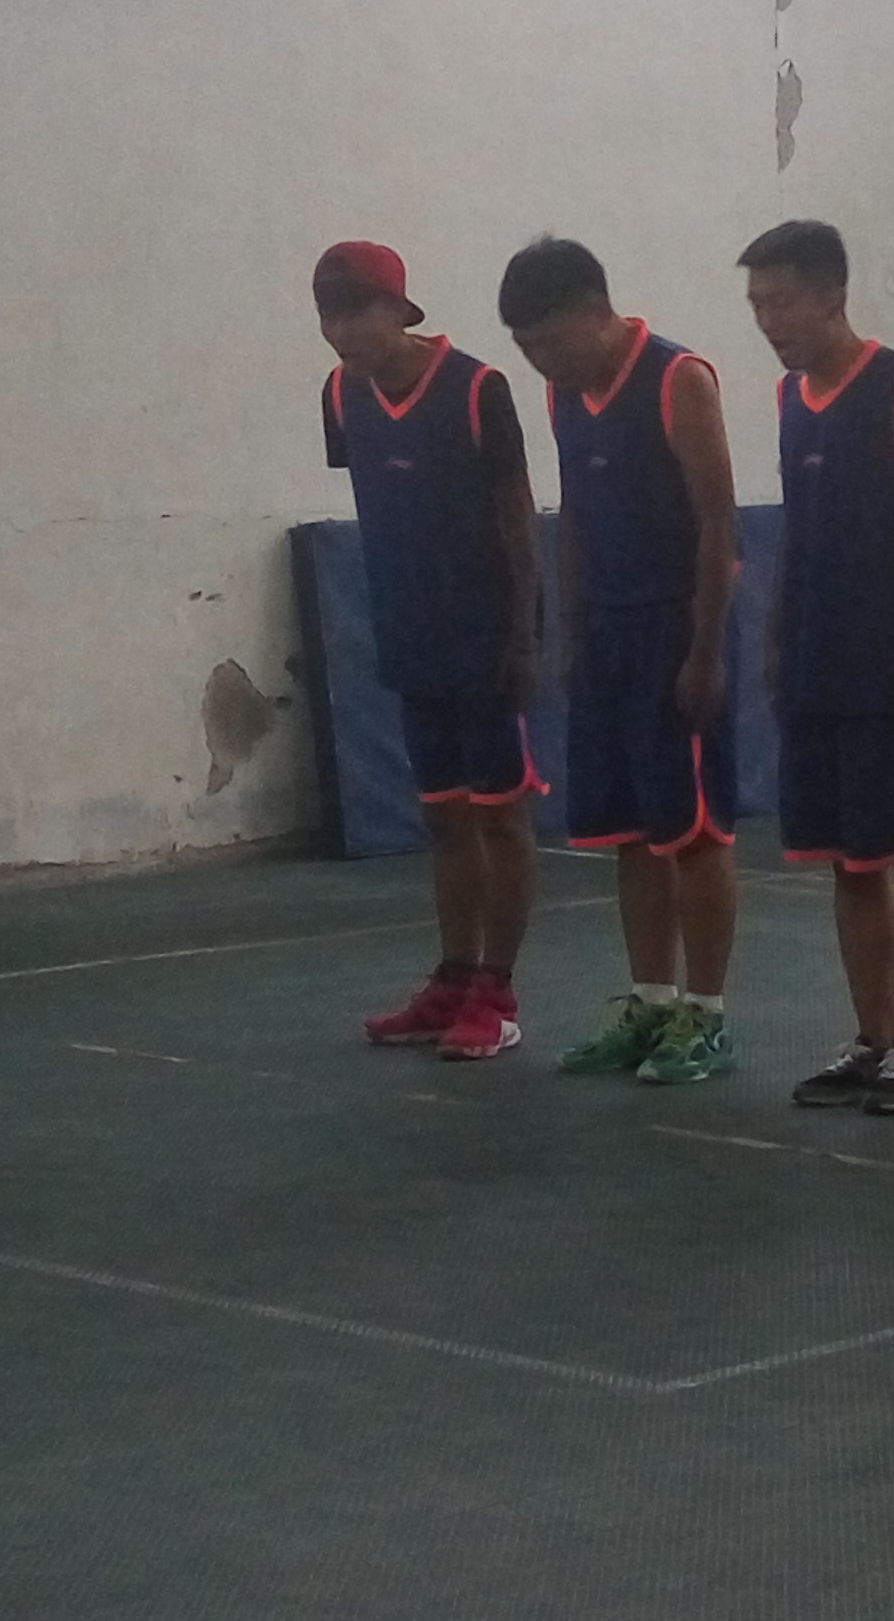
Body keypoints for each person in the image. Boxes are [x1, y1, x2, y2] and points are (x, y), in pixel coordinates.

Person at [495, 237, 744, 1086]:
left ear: (595, 312)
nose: (540, 361)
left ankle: (707, 1014)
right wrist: (570, 631)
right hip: (606, 632)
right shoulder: (564, 394)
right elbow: (574, 513)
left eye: (549, 341)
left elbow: (718, 521)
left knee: (695, 831)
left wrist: (705, 650)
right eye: (525, 348)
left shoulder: (679, 380)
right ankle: (651, 999)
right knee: (633, 831)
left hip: (675, 628)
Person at [746, 221, 894, 1116]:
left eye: (782, 302)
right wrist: (775, 636)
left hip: (892, 663)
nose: (769, 321)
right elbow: (797, 530)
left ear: (834, 295)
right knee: (850, 859)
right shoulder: (791, 397)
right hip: (817, 657)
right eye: (757, 306)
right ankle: (873, 1037)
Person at [316, 240, 538, 1062]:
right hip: (411, 637)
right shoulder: (340, 397)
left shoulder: (477, 390)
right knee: (443, 817)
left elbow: (517, 519)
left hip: (485, 641)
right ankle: (452, 978)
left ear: (398, 311)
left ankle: (497, 994)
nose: (342, 332)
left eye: (356, 313)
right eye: (329, 316)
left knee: (499, 816)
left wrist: (524, 635)